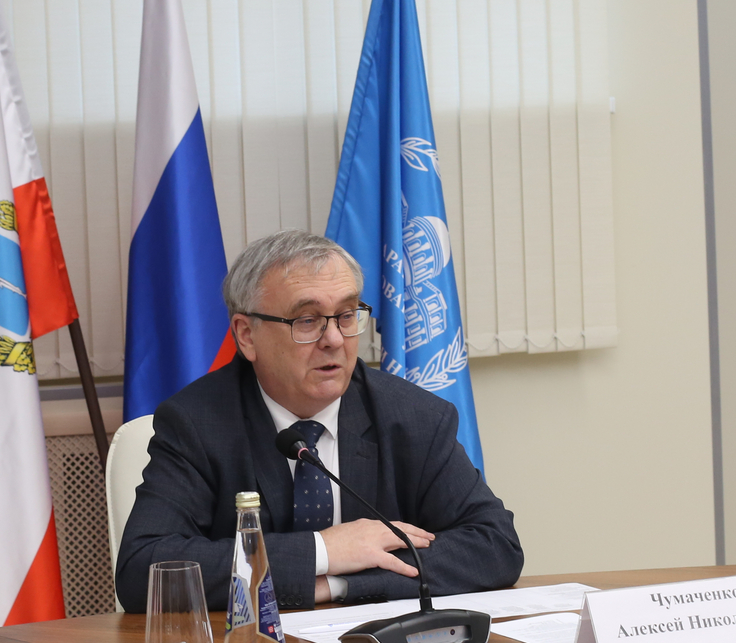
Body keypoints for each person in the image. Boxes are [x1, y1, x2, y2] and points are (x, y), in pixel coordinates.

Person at [117, 231, 522, 612]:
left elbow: (495, 545)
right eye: (307, 320)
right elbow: (144, 569)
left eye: (346, 315)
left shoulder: (414, 417)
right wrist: (324, 551)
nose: (334, 339)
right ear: (247, 336)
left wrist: (338, 584)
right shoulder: (197, 422)